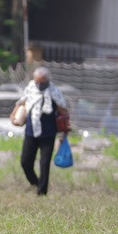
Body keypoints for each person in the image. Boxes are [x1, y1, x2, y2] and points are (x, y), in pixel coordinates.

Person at [16, 67, 68, 196]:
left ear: (48, 80)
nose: (40, 84)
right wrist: (14, 115)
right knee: (25, 162)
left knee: (44, 163)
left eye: (43, 82)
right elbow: (21, 102)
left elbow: (64, 111)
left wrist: (64, 132)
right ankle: (35, 182)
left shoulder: (54, 91)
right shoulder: (30, 88)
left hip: (48, 133)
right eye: (37, 81)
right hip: (31, 132)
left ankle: (42, 192)